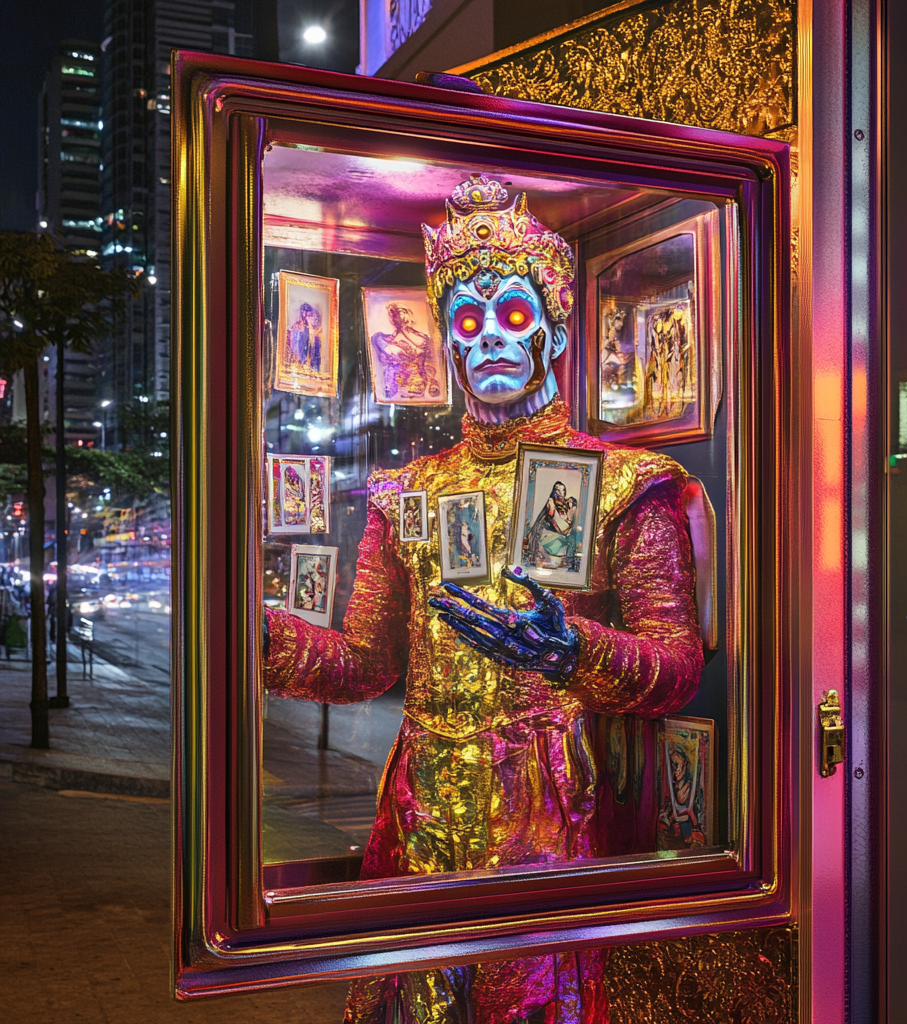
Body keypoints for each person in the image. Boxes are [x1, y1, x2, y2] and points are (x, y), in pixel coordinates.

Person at [264, 175, 704, 1024]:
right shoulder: (409, 493)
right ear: (448, 342)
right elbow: (366, 662)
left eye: (512, 313)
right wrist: (259, 639)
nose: (491, 338)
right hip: (421, 803)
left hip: (545, 807)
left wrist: (572, 653)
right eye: (468, 318)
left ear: (555, 324)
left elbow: (676, 666)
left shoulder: (622, 484)